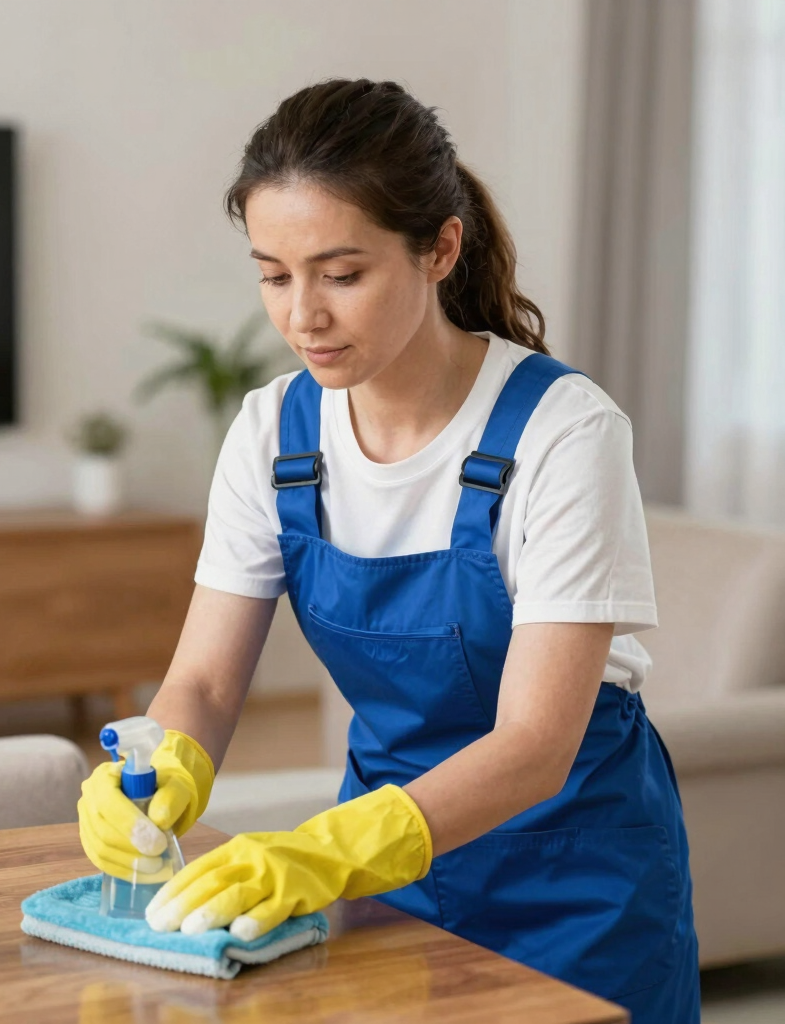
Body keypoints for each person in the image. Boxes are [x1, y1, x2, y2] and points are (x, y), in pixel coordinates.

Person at [78, 78, 700, 1022]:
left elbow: (536, 745)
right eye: (274, 275)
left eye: (342, 273)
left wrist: (326, 850)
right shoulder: (273, 433)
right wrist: (161, 769)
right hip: (382, 881)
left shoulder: (562, 432)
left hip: (575, 881)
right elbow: (203, 683)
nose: (302, 317)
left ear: (440, 248)